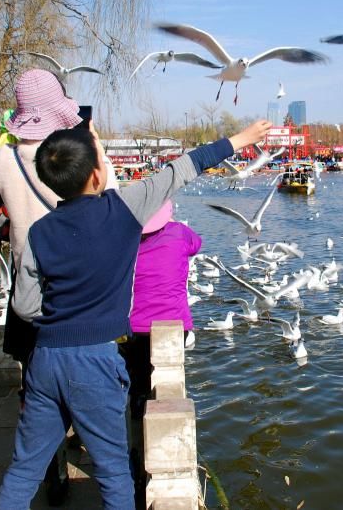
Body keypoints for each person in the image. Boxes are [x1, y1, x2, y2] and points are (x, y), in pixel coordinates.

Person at [0, 118, 270, 510]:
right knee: (114, 473)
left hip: (47, 359)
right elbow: (182, 168)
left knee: (23, 469)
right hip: (95, 361)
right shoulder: (124, 209)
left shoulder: (39, 231)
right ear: (97, 172)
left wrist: (61, 310)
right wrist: (241, 139)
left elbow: (24, 306)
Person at [0, 68, 117, 505]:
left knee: (37, 390)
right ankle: (91, 441)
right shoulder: (76, 154)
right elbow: (110, 199)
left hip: (29, 280)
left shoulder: (3, 158)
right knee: (86, 380)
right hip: (75, 283)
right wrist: (92, 139)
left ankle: (53, 469)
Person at [120, 201, 201, 507]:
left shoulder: (124, 240)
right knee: (166, 386)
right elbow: (197, 245)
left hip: (134, 328)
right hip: (174, 327)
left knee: (138, 386)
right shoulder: (180, 233)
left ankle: (137, 451)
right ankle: (161, 448)